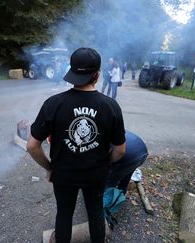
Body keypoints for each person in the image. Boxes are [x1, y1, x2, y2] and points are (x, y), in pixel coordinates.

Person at [26, 47, 126, 243]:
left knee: (64, 214)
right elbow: (121, 150)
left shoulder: (53, 104)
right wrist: (106, 163)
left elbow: (31, 146)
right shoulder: (110, 106)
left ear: (71, 72)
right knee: (96, 212)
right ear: (97, 75)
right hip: (96, 174)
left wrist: (50, 167)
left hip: (63, 174)